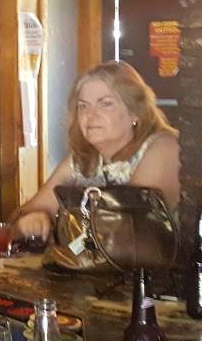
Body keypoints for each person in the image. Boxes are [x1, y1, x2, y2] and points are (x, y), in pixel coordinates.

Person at [12, 61, 180, 243]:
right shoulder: (84, 160)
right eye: (83, 106)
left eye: (105, 104)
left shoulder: (164, 147)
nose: (90, 115)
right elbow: (18, 220)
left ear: (136, 112)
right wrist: (31, 221)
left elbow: (130, 229)